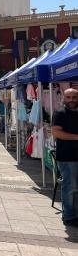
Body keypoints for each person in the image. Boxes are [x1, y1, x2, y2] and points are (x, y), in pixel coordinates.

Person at [51, 88, 78, 226]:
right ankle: (68, 216)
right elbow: (56, 133)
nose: (72, 100)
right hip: (67, 157)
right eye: (69, 97)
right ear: (64, 98)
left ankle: (73, 213)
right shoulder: (60, 113)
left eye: (74, 97)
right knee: (70, 186)